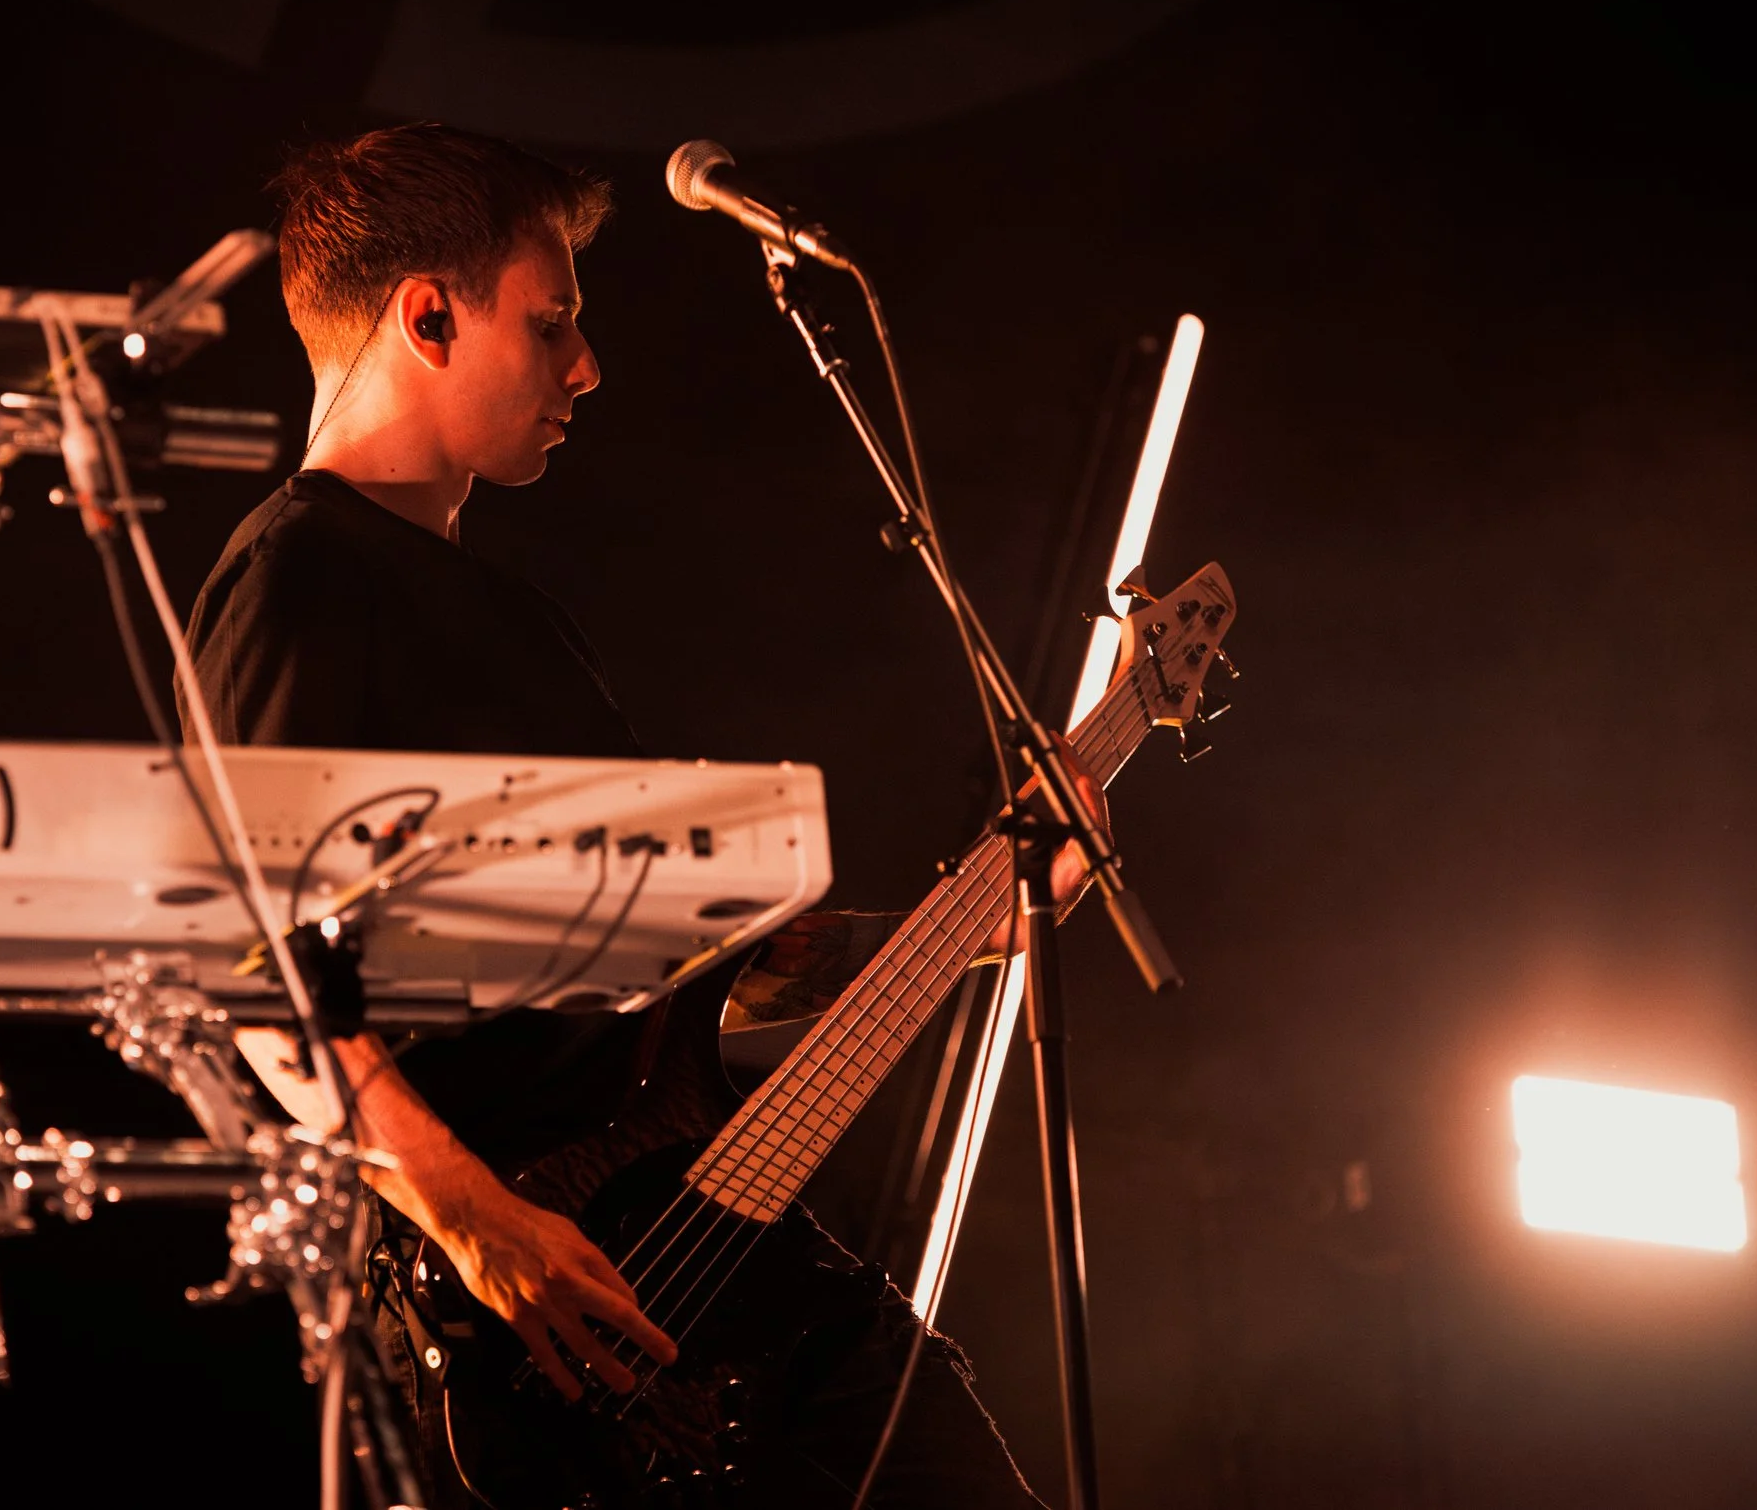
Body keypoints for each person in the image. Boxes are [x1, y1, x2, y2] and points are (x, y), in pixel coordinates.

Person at [184, 123, 1084, 1506]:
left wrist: (981, 918)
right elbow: (259, 973)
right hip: (541, 1335)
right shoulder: (299, 576)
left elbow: (691, 983)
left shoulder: (520, 619)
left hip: (717, 1268)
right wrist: (479, 1223)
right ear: (429, 317)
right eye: (551, 324)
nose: (587, 367)